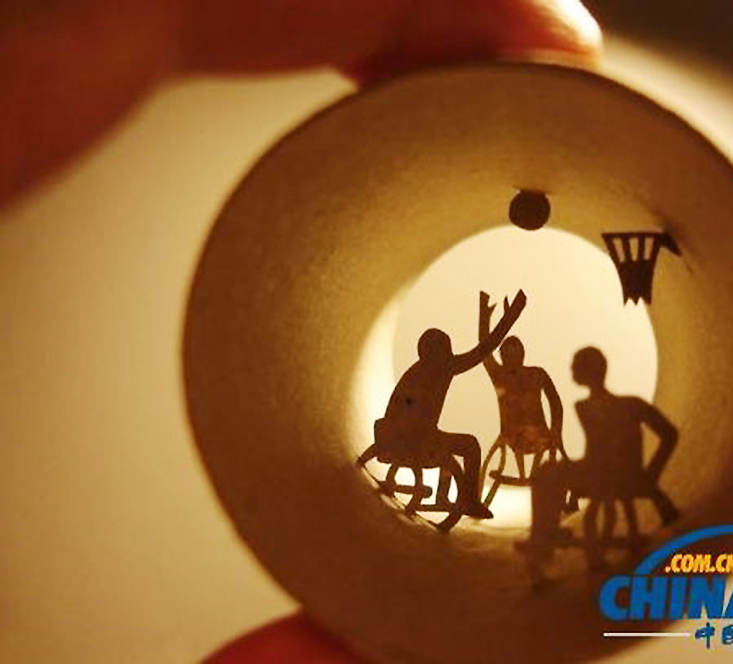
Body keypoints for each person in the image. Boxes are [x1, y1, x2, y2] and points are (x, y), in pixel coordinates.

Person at [3, 1, 602, 660]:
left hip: (403, 441)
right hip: (407, 444)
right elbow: (471, 364)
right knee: (461, 449)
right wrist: (492, 332)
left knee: (462, 449)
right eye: (442, 345)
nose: (442, 349)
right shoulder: (434, 372)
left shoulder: (430, 368)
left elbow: (473, 363)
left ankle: (462, 502)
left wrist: (496, 329)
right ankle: (463, 501)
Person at [518, 347, 679, 579]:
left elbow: (667, 435)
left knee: (547, 474)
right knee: (548, 472)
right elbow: (669, 435)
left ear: (589, 371)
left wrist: (650, 476)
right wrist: (650, 475)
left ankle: (542, 540)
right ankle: (544, 536)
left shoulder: (595, 407)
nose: (571, 369)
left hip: (604, 475)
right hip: (607, 472)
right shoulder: (625, 404)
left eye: (576, 364)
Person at [375, 290, 526, 518]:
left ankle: (444, 497)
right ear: (438, 352)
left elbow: (482, 350)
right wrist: (511, 316)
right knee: (469, 445)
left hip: (410, 438)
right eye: (446, 347)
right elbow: (482, 350)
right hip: (416, 442)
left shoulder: (418, 371)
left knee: (453, 443)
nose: (450, 352)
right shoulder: (442, 368)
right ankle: (469, 501)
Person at [478, 291, 565, 484]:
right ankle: (527, 475)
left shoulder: (537, 374)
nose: (512, 360)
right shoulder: (499, 375)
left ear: (522, 355)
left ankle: (533, 475)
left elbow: (556, 403)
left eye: (515, 355)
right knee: (520, 439)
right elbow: (483, 351)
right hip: (513, 436)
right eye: (507, 356)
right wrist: (484, 317)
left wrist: (556, 430)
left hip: (540, 435)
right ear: (502, 357)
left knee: (539, 442)